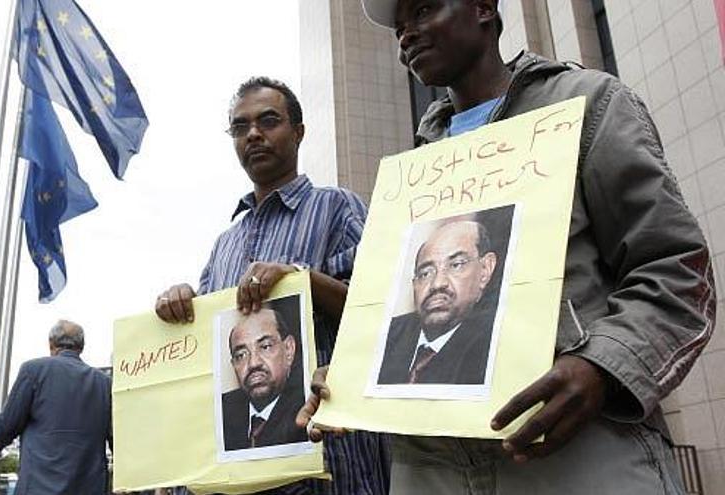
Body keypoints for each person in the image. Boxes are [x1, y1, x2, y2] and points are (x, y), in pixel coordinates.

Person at [299, 0, 717, 493]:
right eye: (399, 25)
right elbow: (399, 315)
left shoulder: (586, 103)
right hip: (430, 468)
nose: (406, 34)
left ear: (482, 8)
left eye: (424, 10)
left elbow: (675, 269)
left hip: (573, 451)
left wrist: (604, 366)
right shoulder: (416, 166)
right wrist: (350, 379)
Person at [156, 76, 390, 494]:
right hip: (239, 467)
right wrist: (183, 307)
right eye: (240, 127)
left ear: (298, 132)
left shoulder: (337, 207)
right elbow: (211, 352)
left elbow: (381, 310)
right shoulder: (224, 243)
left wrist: (302, 278)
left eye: (268, 121)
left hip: (325, 460)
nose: (254, 135)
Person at [0, 320, 112, 495]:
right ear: (81, 347)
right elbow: (116, 440)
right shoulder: (104, 383)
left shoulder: (33, 371)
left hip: (38, 486)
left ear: (51, 345)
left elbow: (8, 424)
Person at [378, 220, 497, 385]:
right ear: (414, 284)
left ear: (485, 270)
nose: (437, 284)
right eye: (425, 273)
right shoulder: (388, 335)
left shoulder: (497, 345)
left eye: (456, 265)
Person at [223, 307, 307, 450]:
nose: (253, 363)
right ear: (233, 365)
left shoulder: (308, 404)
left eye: (265, 346)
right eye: (241, 355)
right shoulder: (224, 410)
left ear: (289, 349)